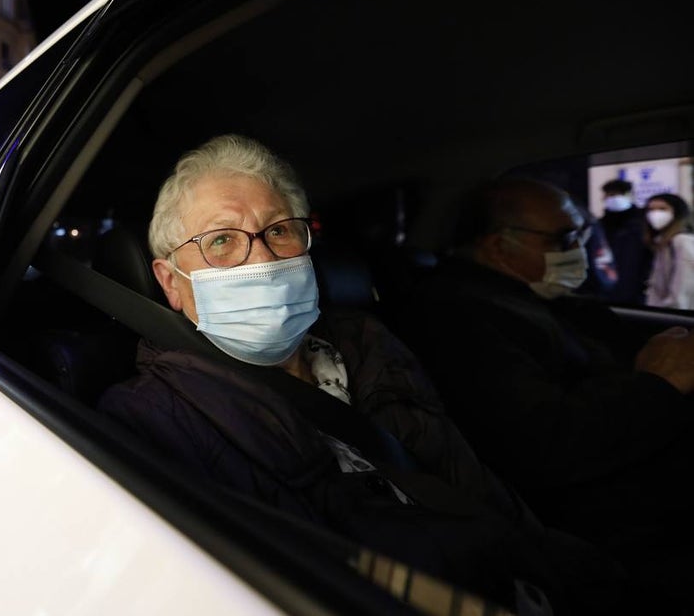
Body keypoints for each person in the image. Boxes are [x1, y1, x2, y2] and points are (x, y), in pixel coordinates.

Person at [97, 136, 631, 615]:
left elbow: (467, 479)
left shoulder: (370, 343)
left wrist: (558, 565)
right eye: (220, 241)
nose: (259, 257)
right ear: (171, 283)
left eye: (279, 230)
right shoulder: (150, 417)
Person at [401, 176, 694, 609]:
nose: (577, 247)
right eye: (564, 237)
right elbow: (543, 442)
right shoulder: (459, 316)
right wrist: (657, 385)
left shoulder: (533, 298)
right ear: (501, 247)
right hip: (609, 522)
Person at [598, 178, 652, 305]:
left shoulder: (644, 222)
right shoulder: (601, 224)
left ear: (630, 195)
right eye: (610, 194)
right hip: (608, 287)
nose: (614, 198)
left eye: (619, 194)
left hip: (637, 289)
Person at [643, 192, 694, 309]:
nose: (655, 214)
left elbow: (683, 290)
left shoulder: (682, 241)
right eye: (651, 209)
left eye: (662, 209)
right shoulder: (662, 242)